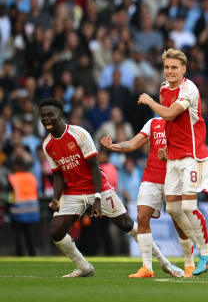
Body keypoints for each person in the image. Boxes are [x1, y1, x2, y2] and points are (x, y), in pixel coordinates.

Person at [39, 98, 176, 278]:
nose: (47, 119)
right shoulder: (47, 145)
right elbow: (57, 173)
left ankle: (164, 262)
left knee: (127, 225)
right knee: (56, 231)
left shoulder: (78, 134)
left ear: (60, 114)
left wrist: (97, 198)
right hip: (73, 191)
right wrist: (56, 198)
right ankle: (84, 267)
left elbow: (95, 167)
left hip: (98, 188)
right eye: (43, 116)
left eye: (51, 114)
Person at [138, 48, 208, 276]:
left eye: (174, 67)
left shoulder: (189, 89)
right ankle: (205, 250)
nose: (170, 71)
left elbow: (170, 114)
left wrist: (150, 102)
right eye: (167, 67)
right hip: (173, 157)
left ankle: (205, 251)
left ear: (184, 69)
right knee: (172, 208)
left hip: (193, 156)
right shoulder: (164, 88)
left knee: (189, 207)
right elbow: (171, 124)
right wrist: (167, 146)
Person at [101, 117, 192, 278]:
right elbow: (133, 143)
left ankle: (189, 264)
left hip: (174, 177)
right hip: (151, 177)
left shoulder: (184, 123)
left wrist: (170, 155)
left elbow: (190, 152)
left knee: (178, 222)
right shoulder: (153, 123)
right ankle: (147, 267)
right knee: (142, 217)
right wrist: (113, 146)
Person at [7, 157, 40, 256]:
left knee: (18, 234)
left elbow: (10, 195)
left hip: (18, 210)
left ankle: (19, 254)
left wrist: (8, 206)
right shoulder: (31, 177)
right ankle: (32, 254)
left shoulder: (13, 178)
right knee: (29, 234)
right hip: (33, 209)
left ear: (15, 166)